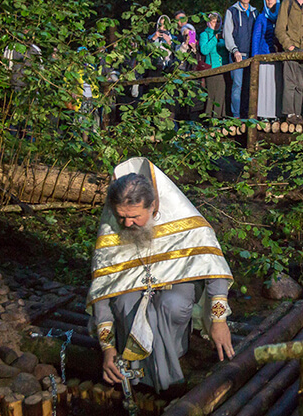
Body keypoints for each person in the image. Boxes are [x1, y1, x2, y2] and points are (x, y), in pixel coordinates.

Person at [89, 157, 235, 393]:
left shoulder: (183, 219)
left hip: (175, 289)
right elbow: (102, 293)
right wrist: (107, 349)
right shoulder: (111, 231)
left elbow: (214, 268)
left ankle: (173, 361)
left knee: (171, 304)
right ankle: (137, 375)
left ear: (153, 205)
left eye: (135, 216)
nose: (127, 224)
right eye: (121, 216)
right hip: (133, 291)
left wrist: (218, 322)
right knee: (127, 303)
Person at [223, 0, 257, 118]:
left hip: (252, 55)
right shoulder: (232, 11)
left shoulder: (255, 12)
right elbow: (227, 33)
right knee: (237, 85)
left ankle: (249, 115)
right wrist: (234, 50)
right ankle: (236, 117)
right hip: (238, 54)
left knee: (251, 86)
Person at [251, 0, 283, 119]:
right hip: (264, 56)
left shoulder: (281, 16)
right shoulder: (261, 17)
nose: (269, 0)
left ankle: (276, 114)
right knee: (264, 85)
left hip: (278, 56)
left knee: (276, 85)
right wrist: (255, 57)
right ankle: (263, 114)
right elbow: (256, 37)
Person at [199, 12, 229, 118]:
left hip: (224, 68)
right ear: (208, 22)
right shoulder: (204, 34)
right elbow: (204, 50)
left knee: (222, 95)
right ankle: (210, 118)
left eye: (217, 22)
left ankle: (221, 117)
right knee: (212, 95)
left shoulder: (223, 34)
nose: (215, 24)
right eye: (213, 22)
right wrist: (214, 38)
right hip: (211, 68)